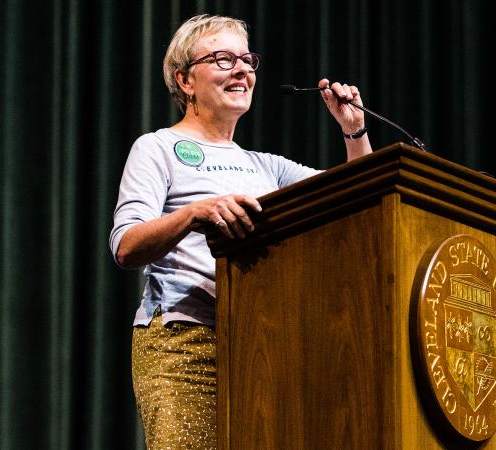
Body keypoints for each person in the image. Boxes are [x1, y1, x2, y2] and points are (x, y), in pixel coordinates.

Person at [109, 14, 372, 450]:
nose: (242, 70)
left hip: (265, 347)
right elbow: (126, 245)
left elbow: (358, 195)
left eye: (247, 59)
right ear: (185, 80)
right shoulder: (157, 148)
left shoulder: (265, 165)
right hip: (186, 345)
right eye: (222, 58)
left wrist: (353, 129)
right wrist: (196, 213)